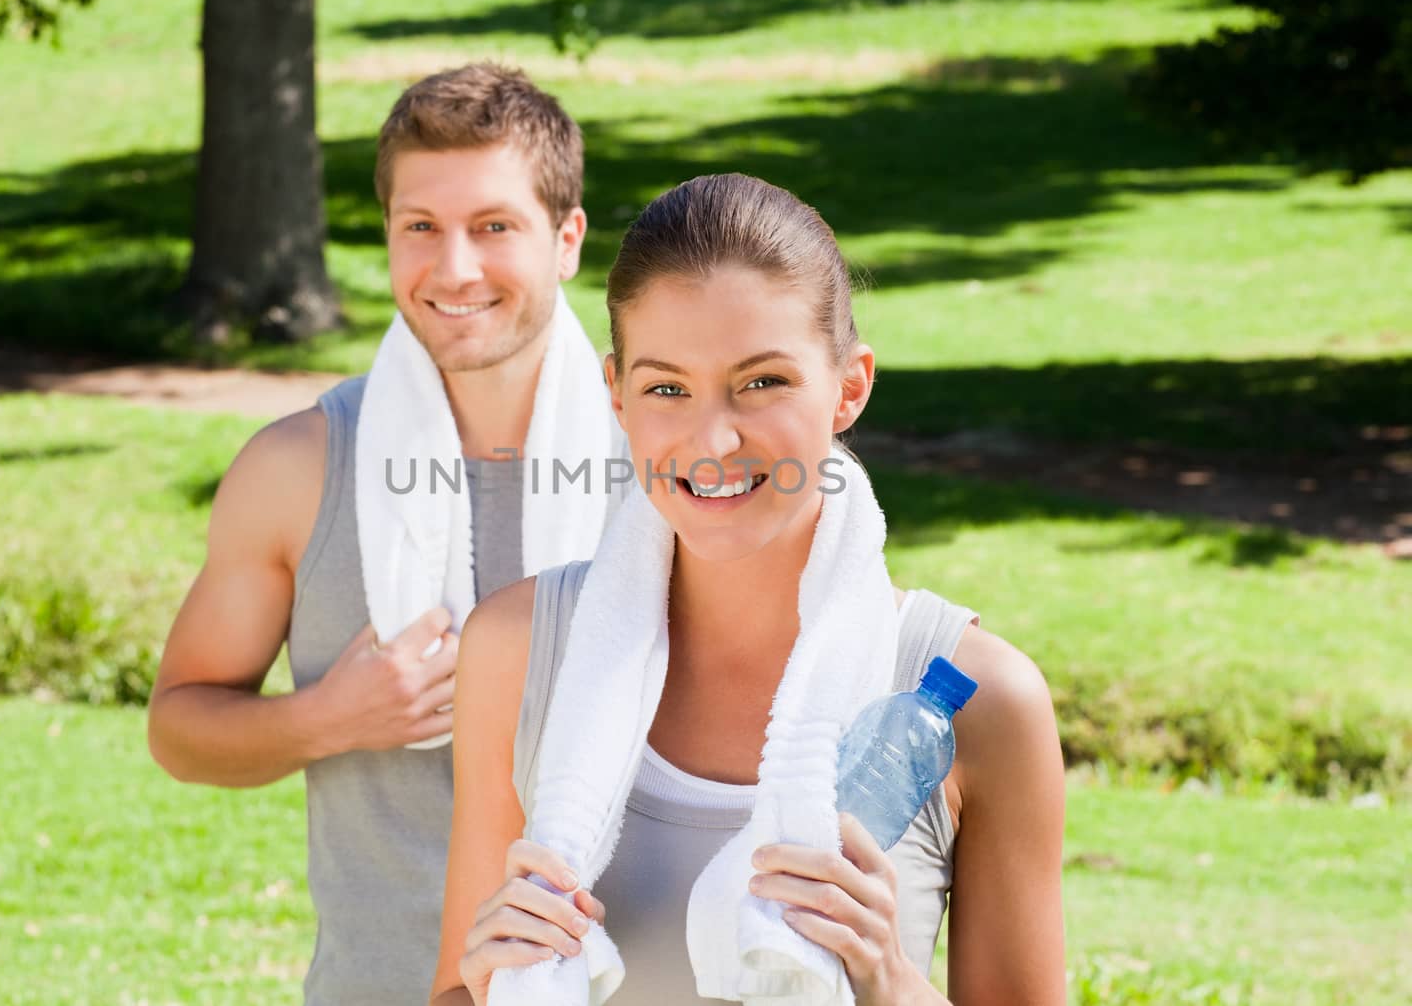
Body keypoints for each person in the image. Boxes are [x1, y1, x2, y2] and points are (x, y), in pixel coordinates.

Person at [431, 174, 1066, 1005]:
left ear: (849, 387)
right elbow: (456, 988)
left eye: (763, 382)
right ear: (617, 394)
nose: (714, 438)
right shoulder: (517, 649)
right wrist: (489, 976)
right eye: (667, 389)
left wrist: (888, 981)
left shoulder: (974, 699)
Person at [147, 63, 625, 1004]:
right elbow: (179, 727)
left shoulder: (663, 463)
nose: (454, 269)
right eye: (421, 228)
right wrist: (329, 718)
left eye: (494, 227)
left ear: (566, 239)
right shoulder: (295, 470)